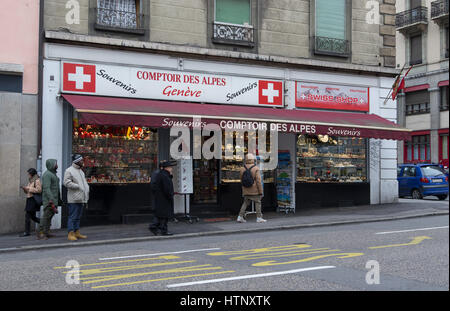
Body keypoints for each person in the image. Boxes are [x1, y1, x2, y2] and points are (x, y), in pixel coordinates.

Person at [63, 154, 90, 241]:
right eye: (81, 160)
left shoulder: (81, 171)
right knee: (72, 216)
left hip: (81, 197)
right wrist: (77, 186)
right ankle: (70, 233)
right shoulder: (69, 170)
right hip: (74, 198)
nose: (82, 162)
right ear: (76, 161)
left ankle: (76, 232)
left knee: (78, 216)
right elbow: (66, 182)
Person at [149, 160, 176, 236]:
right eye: (170, 167)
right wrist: (170, 195)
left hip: (161, 198)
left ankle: (158, 228)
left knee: (162, 215)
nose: (171, 169)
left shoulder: (161, 174)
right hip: (164, 198)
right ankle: (160, 229)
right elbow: (167, 188)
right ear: (165, 168)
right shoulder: (164, 176)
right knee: (164, 215)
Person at [237, 153, 267, 223]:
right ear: (253, 160)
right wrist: (261, 191)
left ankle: (240, 216)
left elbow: (241, 179)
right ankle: (259, 217)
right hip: (254, 190)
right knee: (258, 202)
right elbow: (258, 181)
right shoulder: (256, 168)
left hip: (246, 190)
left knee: (245, 203)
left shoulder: (242, 168)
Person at [38, 159, 61, 240]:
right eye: (55, 163)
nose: (57, 165)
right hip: (49, 200)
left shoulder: (53, 174)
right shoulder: (47, 174)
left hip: (54, 199)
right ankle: (41, 233)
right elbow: (47, 188)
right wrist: (51, 199)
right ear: (51, 165)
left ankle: (46, 232)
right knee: (46, 217)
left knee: (49, 217)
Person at [20, 168, 42, 237]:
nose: (28, 175)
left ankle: (27, 232)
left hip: (33, 200)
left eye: (29, 174)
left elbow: (39, 190)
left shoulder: (37, 180)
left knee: (28, 216)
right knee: (32, 217)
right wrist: (25, 189)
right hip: (29, 199)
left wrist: (29, 188)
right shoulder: (30, 181)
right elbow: (28, 191)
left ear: (32, 174)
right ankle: (44, 223)